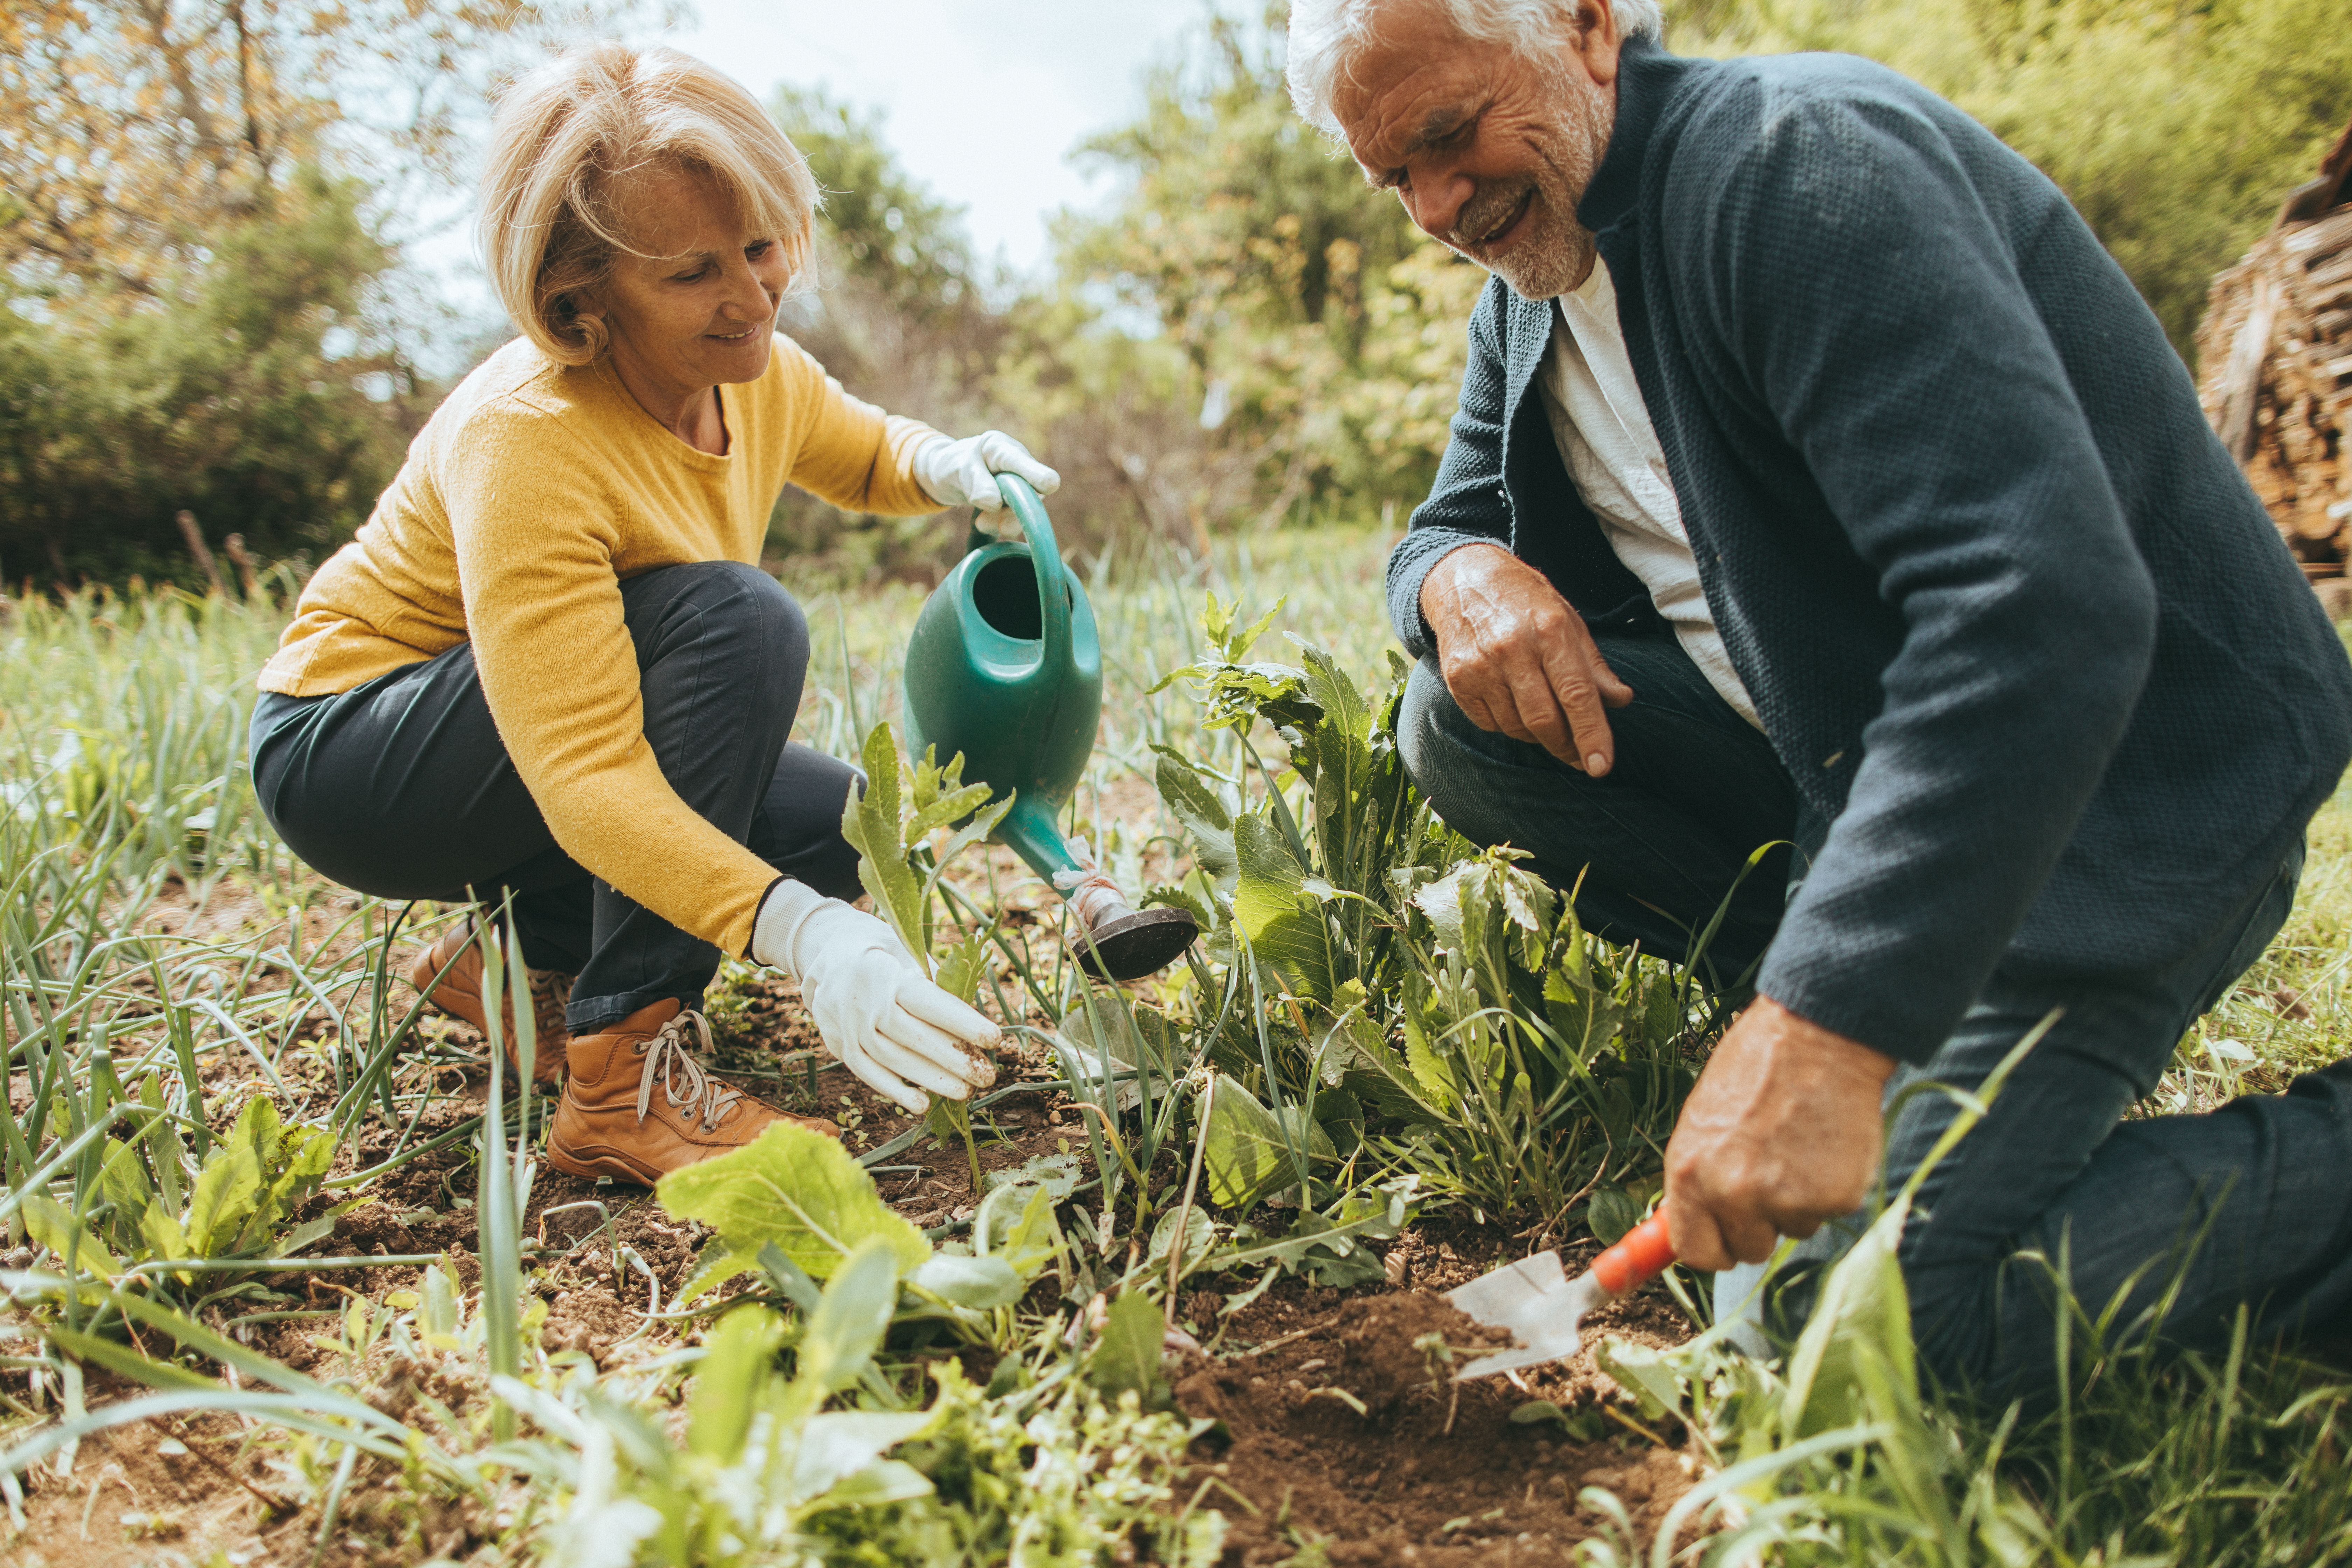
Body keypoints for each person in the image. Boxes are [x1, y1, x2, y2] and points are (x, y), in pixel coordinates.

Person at [1285, 0, 2352, 1398]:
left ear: (1589, 26)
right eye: (1394, 177)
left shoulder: (1796, 172)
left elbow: (2037, 609)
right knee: (1456, 718)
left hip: (2115, 792)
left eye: (1447, 134)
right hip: (1856, 774)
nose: (1435, 205)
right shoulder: (1538, 288)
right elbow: (1445, 519)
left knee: (1832, 1321)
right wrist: (1454, 575)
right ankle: (1866, 1019)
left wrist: (1824, 1025)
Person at [250, 42, 1052, 1185]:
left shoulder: (749, 367)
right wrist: (798, 934)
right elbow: (584, 776)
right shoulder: (528, 436)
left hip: (504, 743)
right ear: (580, 293)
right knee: (738, 621)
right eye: (691, 275)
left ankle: (514, 966)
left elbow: (864, 450)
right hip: (356, 751)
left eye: (763, 247)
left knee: (835, 828)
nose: (753, 296)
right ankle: (621, 1076)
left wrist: (951, 465)